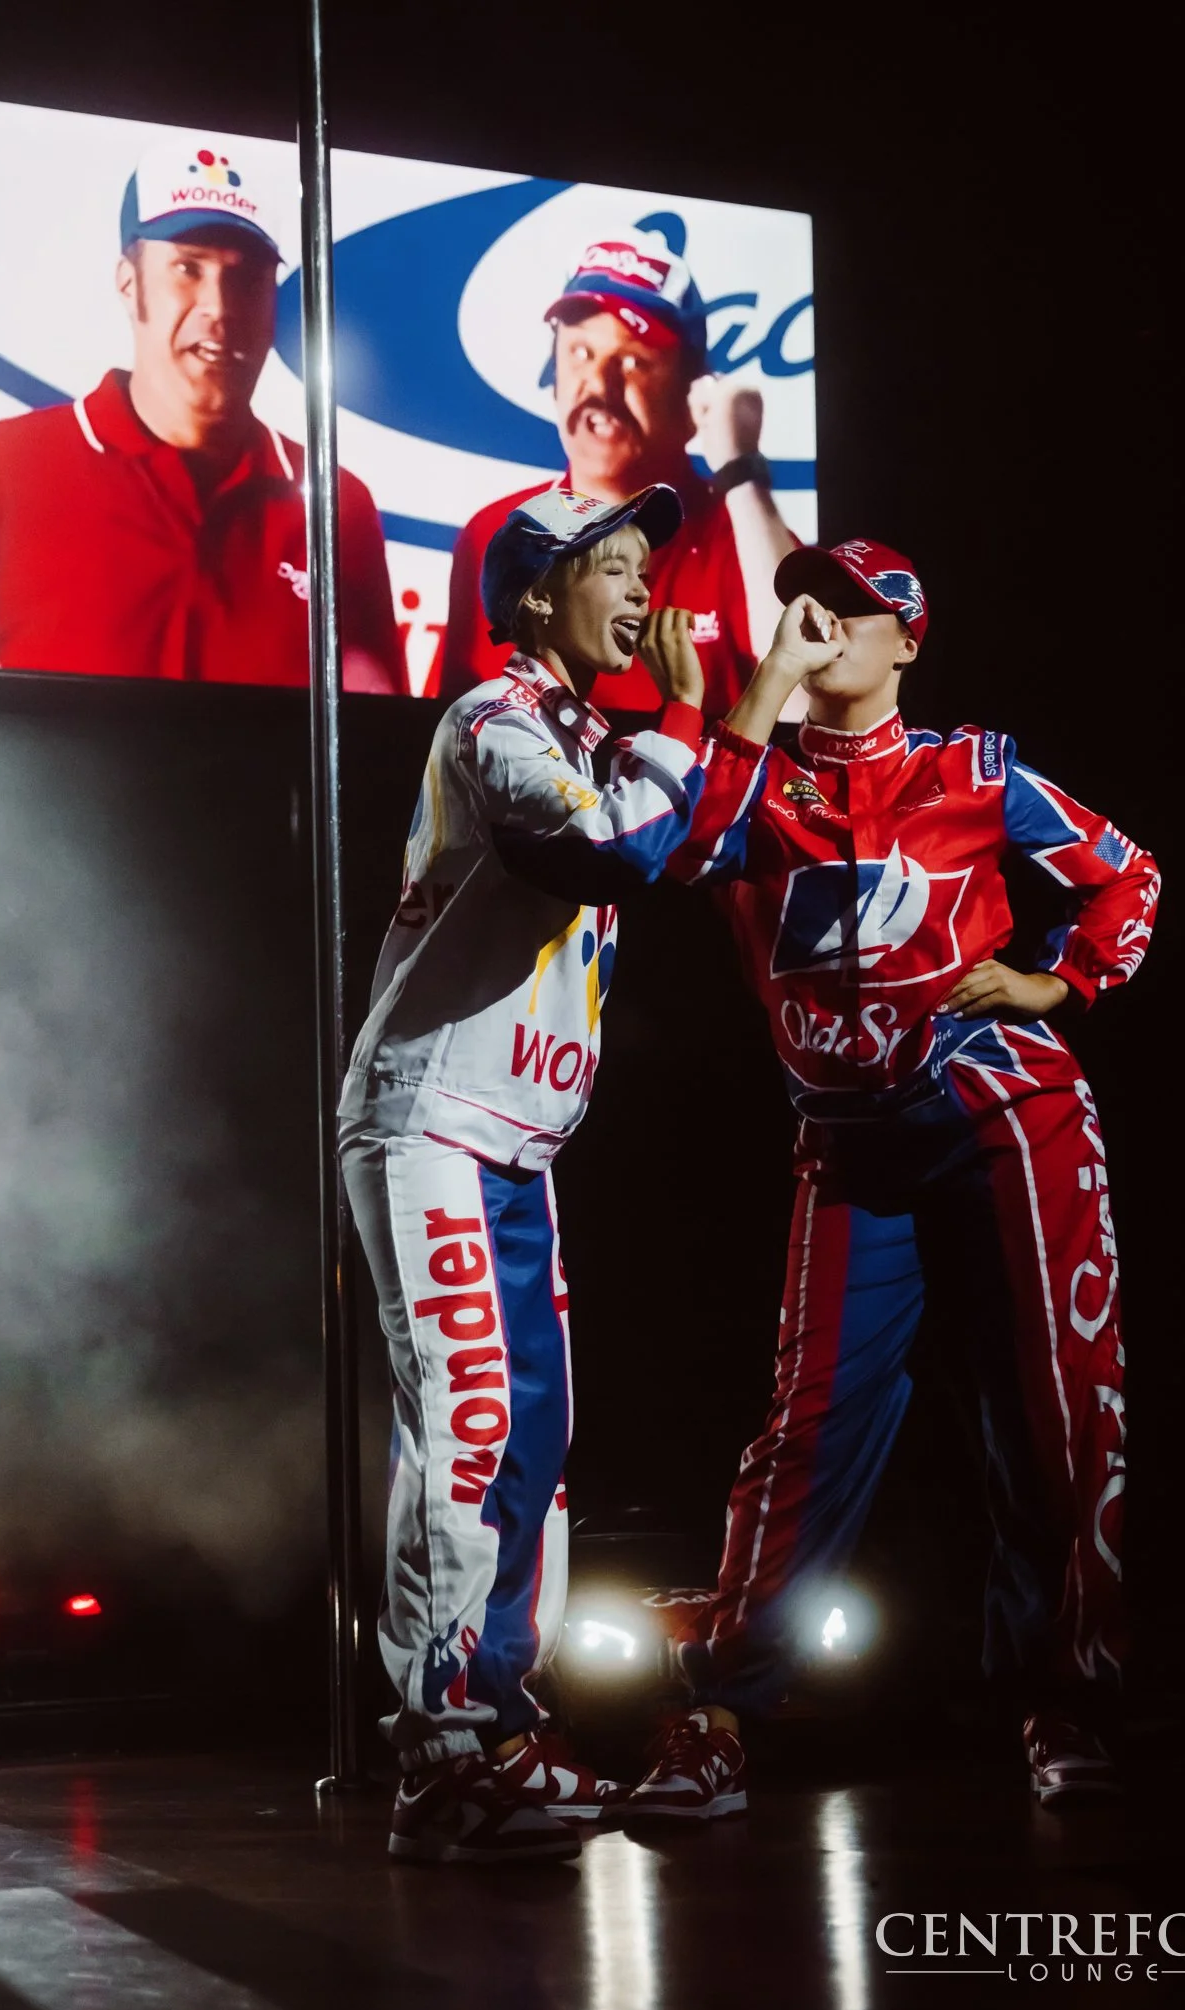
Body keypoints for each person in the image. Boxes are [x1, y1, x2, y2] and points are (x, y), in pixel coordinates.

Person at [623, 539, 1160, 1817]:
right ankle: (716, 1713)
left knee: (1052, 1410)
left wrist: (1059, 979)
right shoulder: (747, 782)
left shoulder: (971, 771)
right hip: (850, 1142)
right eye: (806, 600)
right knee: (806, 1426)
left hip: (1003, 1114)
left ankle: (1061, 1696)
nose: (821, 621)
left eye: (855, 610)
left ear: (908, 640)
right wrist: (753, 691)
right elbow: (681, 855)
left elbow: (1124, 874)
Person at [339, 481, 709, 1862]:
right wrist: (685, 731)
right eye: (612, 566)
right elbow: (598, 854)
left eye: (641, 565)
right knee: (470, 1428)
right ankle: (442, 1754)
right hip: (429, 1117)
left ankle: (503, 1719)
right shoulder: (492, 720)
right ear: (536, 594)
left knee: (533, 1457)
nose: (640, 589)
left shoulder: (596, 736)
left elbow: (683, 839)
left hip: (515, 1145)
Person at [0, 138, 405, 692]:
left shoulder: (337, 507)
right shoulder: (6, 468)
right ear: (129, 284)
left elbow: (376, 753)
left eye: (247, 278)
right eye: (188, 268)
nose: (220, 306)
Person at [438, 227, 797, 724]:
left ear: (693, 392)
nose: (600, 386)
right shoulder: (494, 533)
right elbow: (450, 737)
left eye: (632, 361)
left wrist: (741, 472)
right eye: (581, 353)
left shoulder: (742, 533)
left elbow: (803, 704)